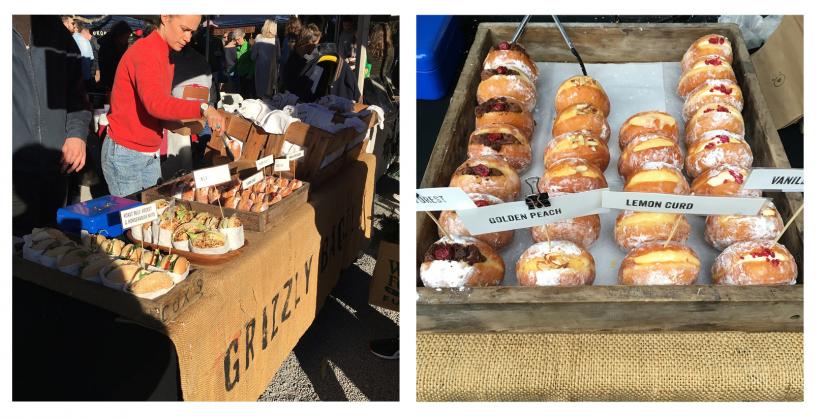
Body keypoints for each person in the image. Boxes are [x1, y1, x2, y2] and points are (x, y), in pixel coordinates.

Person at [101, 14, 224, 197]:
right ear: (165, 17)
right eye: (184, 29)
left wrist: (178, 125)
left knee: (156, 213)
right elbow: (156, 104)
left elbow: (151, 108)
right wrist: (203, 108)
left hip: (148, 151)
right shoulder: (146, 52)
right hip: (126, 154)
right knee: (135, 221)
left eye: (192, 32)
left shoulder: (166, 54)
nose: (188, 38)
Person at [13, 15, 91, 236]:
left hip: (55, 168)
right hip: (12, 176)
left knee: (52, 250)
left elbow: (77, 95)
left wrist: (77, 135)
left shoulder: (57, 31)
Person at [98, 20, 131, 92]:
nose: (127, 40)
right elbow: (110, 69)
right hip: (110, 86)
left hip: (114, 84)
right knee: (108, 103)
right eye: (126, 37)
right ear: (119, 35)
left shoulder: (118, 45)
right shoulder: (108, 48)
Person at [251, 19, 280, 99]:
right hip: (272, 72)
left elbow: (252, 57)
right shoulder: (276, 40)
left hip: (260, 72)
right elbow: (279, 56)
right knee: (271, 98)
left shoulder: (258, 38)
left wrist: (252, 46)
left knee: (261, 96)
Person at [278, 16, 302, 90]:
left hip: (287, 70)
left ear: (289, 26)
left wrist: (278, 59)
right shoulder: (300, 37)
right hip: (298, 68)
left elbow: (285, 58)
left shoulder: (288, 38)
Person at [230, 28, 254, 98]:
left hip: (247, 75)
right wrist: (231, 71)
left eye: (238, 39)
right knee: (240, 95)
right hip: (239, 75)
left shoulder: (249, 46)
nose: (237, 41)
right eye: (235, 40)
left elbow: (253, 62)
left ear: (242, 36)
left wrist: (250, 74)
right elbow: (237, 62)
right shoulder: (237, 47)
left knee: (247, 95)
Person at [71, 21, 95, 89]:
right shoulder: (86, 41)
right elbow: (92, 60)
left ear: (75, 28)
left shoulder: (71, 39)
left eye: (72, 25)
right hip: (86, 77)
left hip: (75, 78)